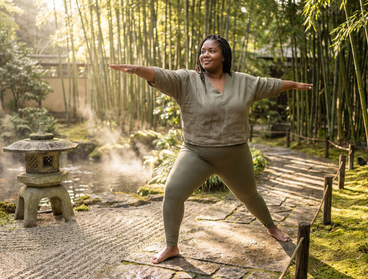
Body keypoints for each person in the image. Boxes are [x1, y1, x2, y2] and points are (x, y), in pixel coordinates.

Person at [110, 34, 313, 264]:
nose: (205, 55)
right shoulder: (186, 80)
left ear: (224, 56)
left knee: (249, 195)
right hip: (197, 153)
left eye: (212, 51)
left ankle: (271, 227)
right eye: (203, 51)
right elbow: (161, 75)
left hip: (236, 154)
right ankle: (171, 245)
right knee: (173, 192)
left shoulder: (243, 82)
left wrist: (294, 85)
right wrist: (138, 69)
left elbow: (269, 84)